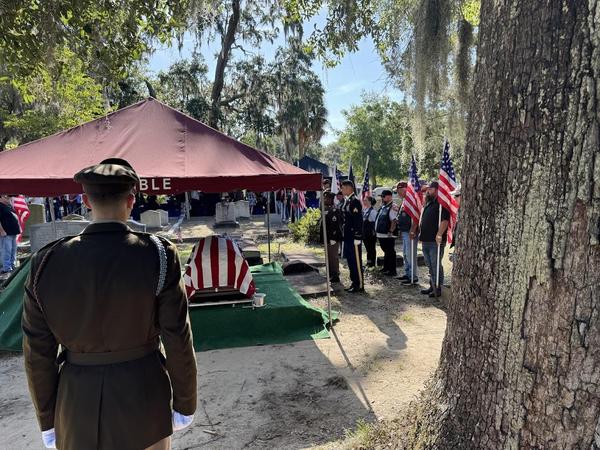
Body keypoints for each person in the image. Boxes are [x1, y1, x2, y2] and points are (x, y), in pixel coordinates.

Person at [22, 158, 197, 450]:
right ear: (131, 200)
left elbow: (37, 354)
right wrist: (185, 402)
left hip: (76, 405)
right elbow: (177, 336)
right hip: (144, 400)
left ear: (86, 201)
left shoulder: (46, 262)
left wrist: (48, 420)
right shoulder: (158, 255)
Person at [418, 181, 450, 297]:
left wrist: (439, 234)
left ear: (437, 190)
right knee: (429, 265)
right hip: (426, 240)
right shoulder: (429, 203)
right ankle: (432, 286)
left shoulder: (441, 204)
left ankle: (438, 287)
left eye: (430, 189)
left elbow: (445, 221)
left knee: (435, 264)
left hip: (435, 241)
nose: (428, 191)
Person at [341, 180, 364, 293]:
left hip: (353, 236)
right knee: (350, 261)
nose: (341, 190)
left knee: (356, 261)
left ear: (349, 188)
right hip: (348, 236)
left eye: (343, 188)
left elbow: (358, 220)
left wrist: (358, 236)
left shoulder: (355, 201)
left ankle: (359, 284)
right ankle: (354, 282)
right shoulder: (348, 200)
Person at [396, 181, 419, 285]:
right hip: (404, 231)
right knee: (405, 254)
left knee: (410, 255)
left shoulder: (412, 200)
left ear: (404, 189)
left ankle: (413, 277)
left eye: (399, 191)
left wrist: (413, 229)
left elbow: (416, 216)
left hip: (410, 232)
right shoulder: (404, 201)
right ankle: (408, 274)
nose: (398, 193)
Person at [320, 191, 343, 283]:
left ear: (330, 199)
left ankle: (335, 275)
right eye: (324, 198)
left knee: (333, 257)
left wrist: (333, 238)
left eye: (326, 198)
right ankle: (330, 274)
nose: (324, 200)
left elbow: (335, 225)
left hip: (333, 238)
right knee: (328, 256)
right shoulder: (325, 209)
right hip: (327, 237)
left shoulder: (334, 210)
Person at [375, 190, 399, 276]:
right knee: (386, 251)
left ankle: (392, 270)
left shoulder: (393, 206)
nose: (382, 198)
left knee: (390, 252)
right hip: (382, 234)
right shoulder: (384, 206)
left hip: (388, 234)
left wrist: (391, 231)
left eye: (383, 197)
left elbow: (394, 220)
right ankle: (386, 268)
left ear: (389, 197)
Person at [0, 195, 21, 274]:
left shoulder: (8, 206)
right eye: (6, 197)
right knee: (6, 251)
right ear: (1, 198)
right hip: (6, 232)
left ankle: (12, 265)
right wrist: (2, 231)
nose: (9, 199)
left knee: (13, 250)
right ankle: (6, 267)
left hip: (13, 232)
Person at [362, 196, 378, 268]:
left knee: (371, 249)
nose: (364, 202)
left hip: (371, 234)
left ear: (370, 202)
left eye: (365, 200)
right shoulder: (365, 210)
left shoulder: (373, 211)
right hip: (365, 233)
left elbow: (375, 223)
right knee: (368, 249)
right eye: (364, 200)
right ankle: (369, 263)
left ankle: (372, 264)